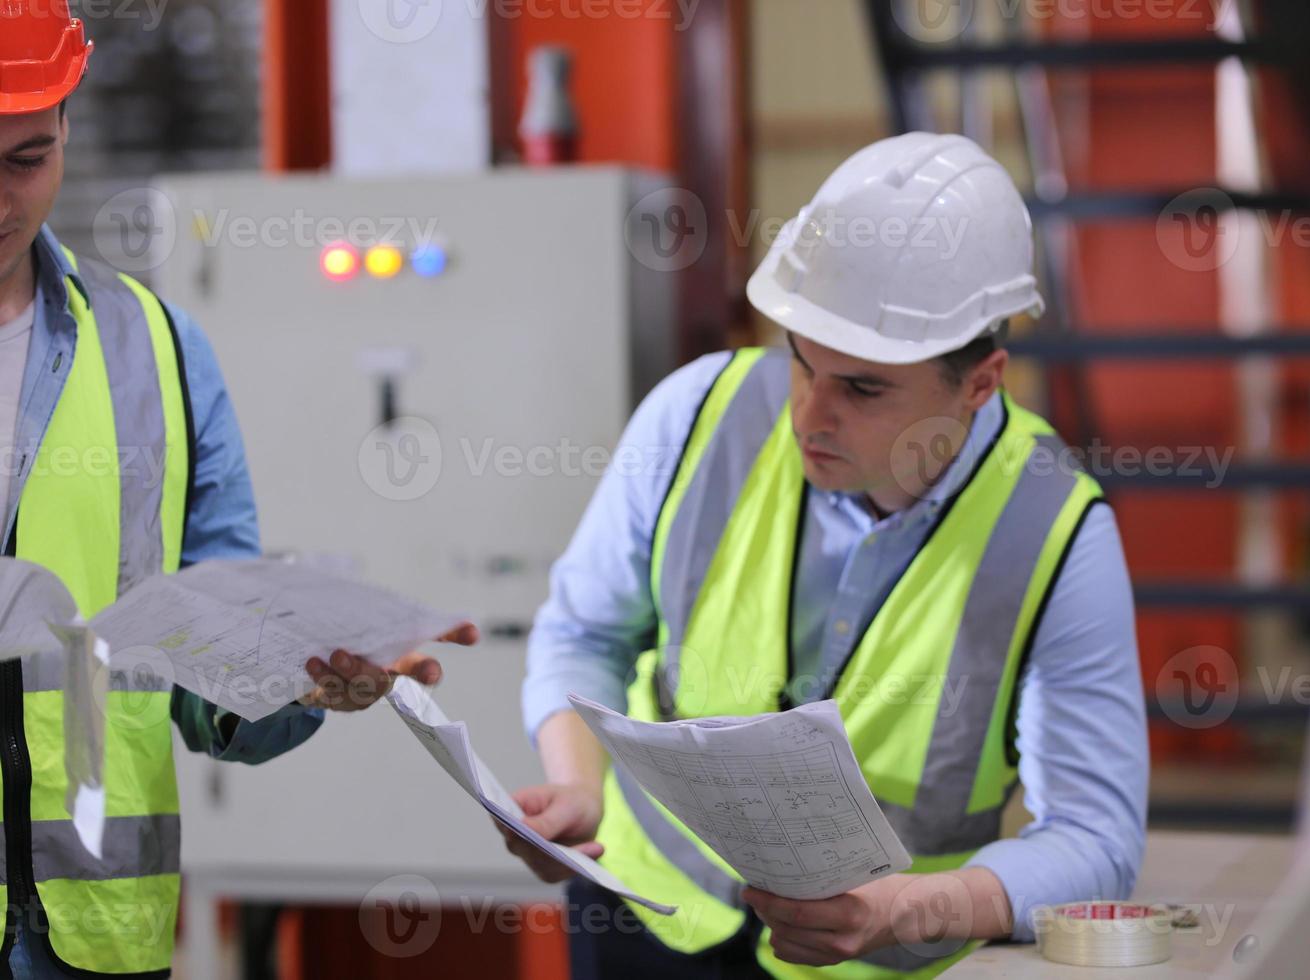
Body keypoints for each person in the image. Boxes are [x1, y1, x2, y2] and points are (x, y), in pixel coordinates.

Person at [510, 131, 1148, 978]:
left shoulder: (1056, 534)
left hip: (875, 959)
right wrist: (577, 785)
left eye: (864, 388)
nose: (810, 415)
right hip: (645, 915)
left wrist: (918, 908)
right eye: (802, 363)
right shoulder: (695, 417)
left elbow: (1097, 839)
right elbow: (582, 632)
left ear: (980, 383)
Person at [0, 6, 476, 976]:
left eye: (26, 159)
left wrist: (297, 675)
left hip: (87, 927)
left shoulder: (153, 348)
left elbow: (209, 637)